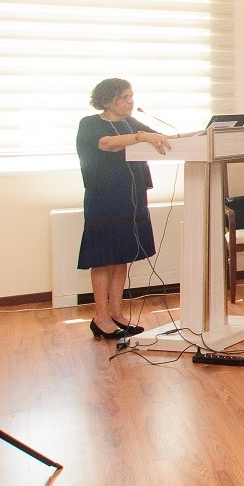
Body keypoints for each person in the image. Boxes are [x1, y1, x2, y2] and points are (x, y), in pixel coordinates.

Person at [77, 77, 172, 339]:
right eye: (124, 98)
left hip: (131, 197)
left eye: (132, 96)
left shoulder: (131, 122)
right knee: (103, 258)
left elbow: (159, 137)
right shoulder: (90, 124)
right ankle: (101, 317)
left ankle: (116, 313)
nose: (131, 102)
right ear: (107, 100)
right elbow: (106, 144)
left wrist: (198, 135)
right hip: (105, 197)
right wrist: (142, 136)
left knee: (121, 258)